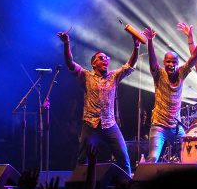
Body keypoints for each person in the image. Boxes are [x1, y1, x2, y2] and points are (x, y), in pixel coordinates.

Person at [57, 29, 140, 176]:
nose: (105, 60)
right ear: (93, 63)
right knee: (82, 160)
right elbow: (70, 63)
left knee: (123, 157)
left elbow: (130, 65)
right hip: (90, 124)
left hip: (110, 124)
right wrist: (67, 43)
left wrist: (136, 46)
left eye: (107, 58)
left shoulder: (113, 77)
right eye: (101, 58)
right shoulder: (86, 76)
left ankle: (127, 187)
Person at [142, 25, 197, 163]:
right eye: (168, 61)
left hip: (176, 127)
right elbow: (152, 61)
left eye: (174, 62)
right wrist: (150, 42)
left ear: (177, 63)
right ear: (164, 62)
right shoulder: (159, 74)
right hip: (159, 126)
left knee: (188, 157)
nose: (171, 64)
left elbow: (194, 57)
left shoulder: (181, 72)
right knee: (153, 158)